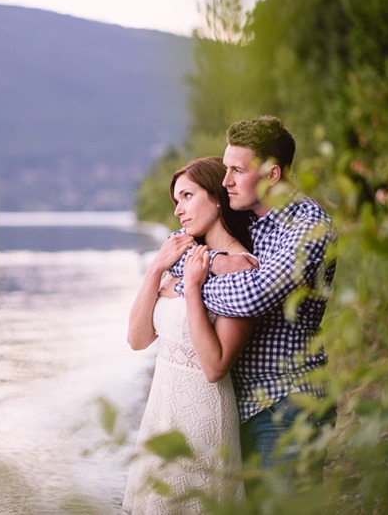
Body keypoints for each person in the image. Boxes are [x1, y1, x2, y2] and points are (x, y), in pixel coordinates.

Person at [168, 115, 337, 491]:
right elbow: (177, 246)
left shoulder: (308, 227)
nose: (226, 180)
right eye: (225, 169)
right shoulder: (240, 213)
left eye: (236, 170)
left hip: (289, 406)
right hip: (237, 407)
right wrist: (217, 262)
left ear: (273, 175)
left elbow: (253, 296)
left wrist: (192, 285)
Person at [123, 157, 258, 514]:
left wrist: (192, 289)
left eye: (186, 196)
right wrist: (156, 269)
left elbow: (215, 367)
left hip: (203, 410)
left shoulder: (243, 267)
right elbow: (137, 339)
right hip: (162, 407)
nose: (179, 211)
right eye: (176, 202)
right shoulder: (183, 258)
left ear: (216, 197)